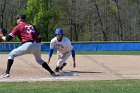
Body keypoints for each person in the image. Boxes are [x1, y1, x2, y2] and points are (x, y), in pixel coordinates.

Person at [0, 13, 56, 78]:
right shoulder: (31, 25)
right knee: (39, 60)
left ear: (20, 19)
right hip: (37, 43)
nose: (16, 20)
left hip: (28, 44)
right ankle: (52, 73)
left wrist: (1, 36)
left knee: (11, 54)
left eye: (17, 19)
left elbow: (8, 38)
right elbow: (39, 37)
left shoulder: (19, 26)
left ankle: (7, 72)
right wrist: (36, 46)